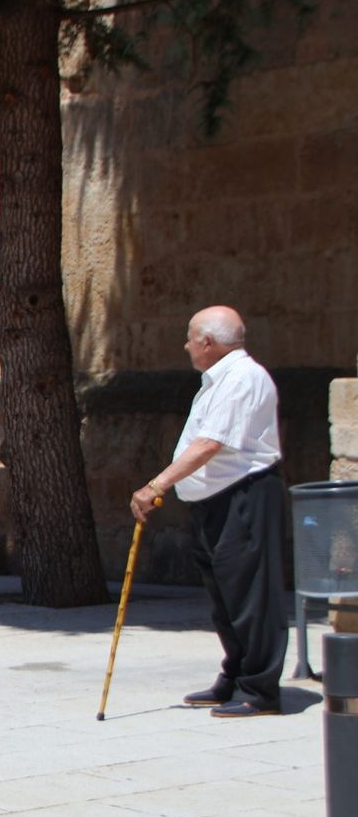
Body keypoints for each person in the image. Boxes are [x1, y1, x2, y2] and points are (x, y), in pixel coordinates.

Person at [131, 306, 287, 719]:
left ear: (208, 342)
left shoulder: (242, 378)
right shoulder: (220, 379)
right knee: (225, 596)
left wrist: (155, 485)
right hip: (215, 498)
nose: (185, 345)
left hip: (245, 495)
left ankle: (261, 690)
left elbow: (209, 444)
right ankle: (236, 674)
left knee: (250, 594)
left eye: (190, 337)